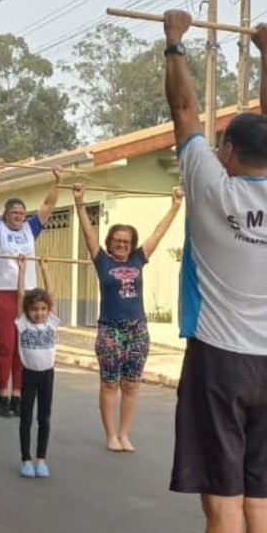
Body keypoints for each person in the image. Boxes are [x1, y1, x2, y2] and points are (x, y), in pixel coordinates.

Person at [163, 9, 267, 533]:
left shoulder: (209, 185)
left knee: (222, 502)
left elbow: (184, 105)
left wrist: (175, 41)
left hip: (221, 358)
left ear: (226, 151)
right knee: (261, 501)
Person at [73, 183, 182, 452]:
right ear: (109, 243)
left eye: (127, 241)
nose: (122, 244)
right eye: (117, 241)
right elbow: (88, 236)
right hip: (110, 330)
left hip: (137, 330)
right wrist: (79, 203)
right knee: (110, 383)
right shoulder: (103, 261)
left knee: (132, 385)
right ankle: (111, 435)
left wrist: (175, 206)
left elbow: (158, 233)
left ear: (132, 245)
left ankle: (124, 434)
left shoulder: (137, 260)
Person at [0, 160, 63, 417]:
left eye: (21, 212)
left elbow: (48, 205)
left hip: (27, 294)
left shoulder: (31, 230)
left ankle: (18, 395)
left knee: (23, 345)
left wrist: (57, 181)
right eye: (13, 212)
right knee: (6, 345)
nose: (18, 216)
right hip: (2, 293)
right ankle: (3, 396)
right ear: (5, 215)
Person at [15, 254, 58, 479]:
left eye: (42, 309)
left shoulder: (51, 321)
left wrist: (44, 267)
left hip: (47, 376)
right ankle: (26, 459)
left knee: (44, 418)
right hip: (29, 375)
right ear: (27, 310)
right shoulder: (22, 323)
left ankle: (41, 459)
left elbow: (51, 295)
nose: (39, 313)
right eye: (34, 309)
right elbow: (21, 295)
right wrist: (22, 269)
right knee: (26, 418)